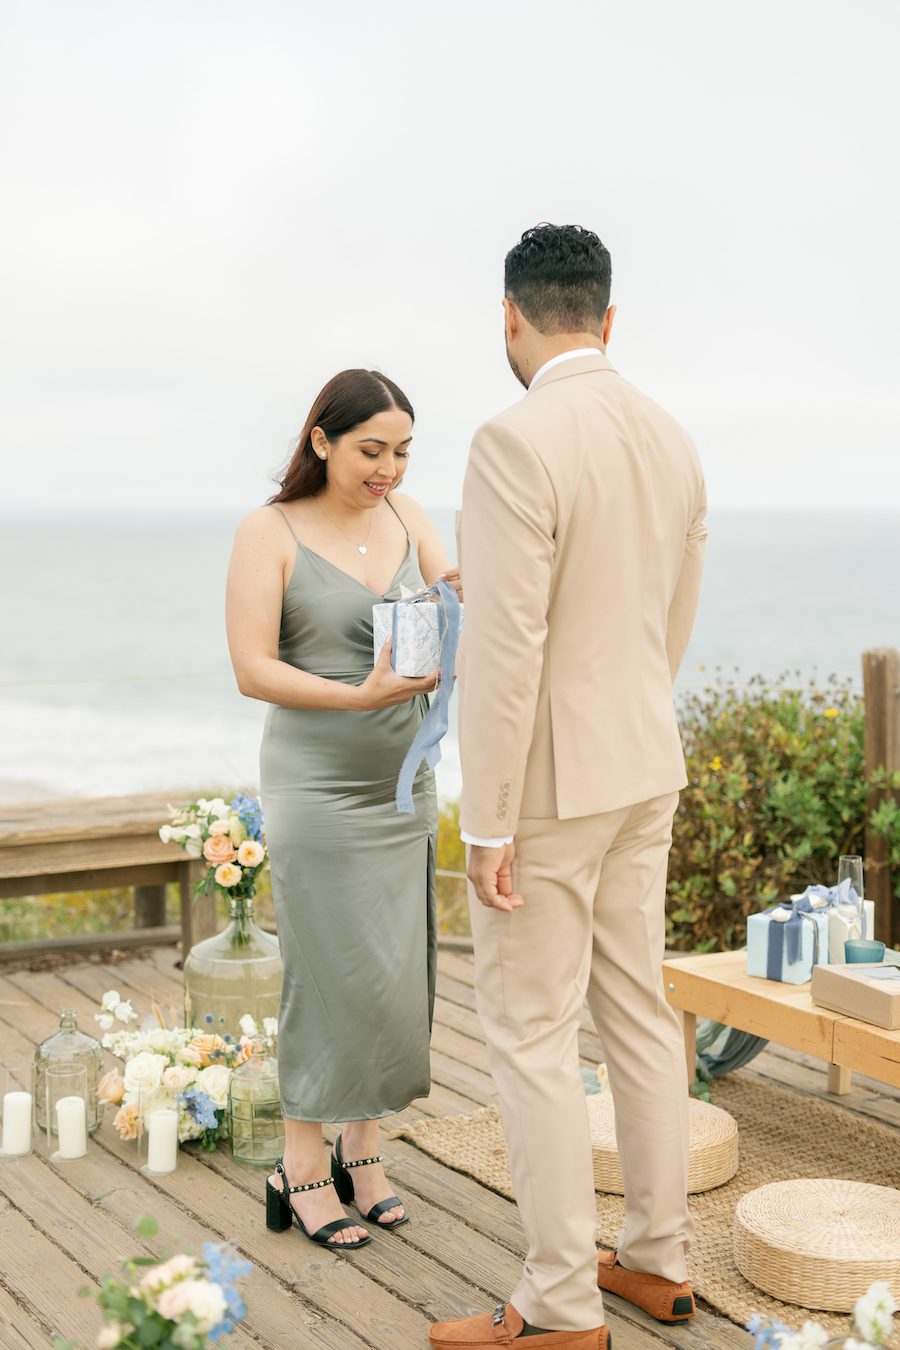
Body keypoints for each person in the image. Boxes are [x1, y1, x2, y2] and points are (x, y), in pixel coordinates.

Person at [430, 225, 707, 1350]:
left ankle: (555, 1306)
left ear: (510, 316)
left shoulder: (513, 440)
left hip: (546, 787)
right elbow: (669, 623)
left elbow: (504, 650)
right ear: (607, 318)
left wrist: (486, 820)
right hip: (645, 760)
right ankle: (656, 1260)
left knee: (533, 1035)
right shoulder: (673, 438)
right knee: (638, 1009)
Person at [226, 368, 460, 1249]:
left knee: (395, 972)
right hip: (317, 787)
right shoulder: (269, 530)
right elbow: (254, 669)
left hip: (403, 780)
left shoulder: (409, 517)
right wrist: (360, 698)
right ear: (321, 440)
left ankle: (365, 1150)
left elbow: (457, 603)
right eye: (371, 450)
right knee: (324, 976)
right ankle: (300, 1163)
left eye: (401, 451)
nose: (388, 469)